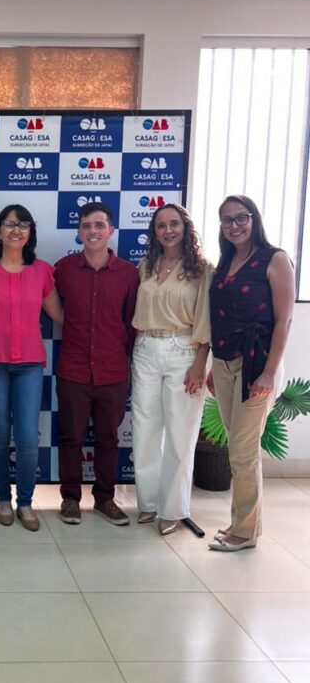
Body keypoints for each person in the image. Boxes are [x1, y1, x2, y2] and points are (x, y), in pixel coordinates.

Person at [207, 195, 295, 551]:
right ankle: (242, 522)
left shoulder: (275, 259)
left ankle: (244, 533)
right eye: (226, 220)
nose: (234, 226)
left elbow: (284, 321)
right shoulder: (226, 261)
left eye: (240, 217)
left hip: (257, 365)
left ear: (254, 219)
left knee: (243, 451)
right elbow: (219, 318)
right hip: (224, 364)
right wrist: (213, 366)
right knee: (238, 448)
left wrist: (269, 373)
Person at [54, 200, 139, 526]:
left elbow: (131, 323)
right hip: (73, 369)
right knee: (71, 438)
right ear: (79, 231)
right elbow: (51, 307)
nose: (93, 231)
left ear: (111, 230)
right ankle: (70, 499)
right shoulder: (63, 269)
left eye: (100, 225)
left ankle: (105, 499)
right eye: (87, 225)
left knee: (108, 439)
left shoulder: (128, 274)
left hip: (112, 371)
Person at [131, 204, 211, 535]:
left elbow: (206, 317)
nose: (168, 230)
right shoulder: (146, 265)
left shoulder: (202, 269)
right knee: (144, 429)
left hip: (184, 351)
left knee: (180, 432)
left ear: (185, 227)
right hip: (145, 348)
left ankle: (173, 509)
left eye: (174, 224)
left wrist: (200, 363)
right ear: (154, 231)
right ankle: (149, 503)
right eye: (161, 225)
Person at [0, 204, 61, 530]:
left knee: (27, 436)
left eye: (23, 225)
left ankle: (25, 502)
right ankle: (2, 498)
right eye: (10, 224)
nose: (16, 230)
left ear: (30, 233)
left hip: (29, 365)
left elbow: (59, 314)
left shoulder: (42, 271)